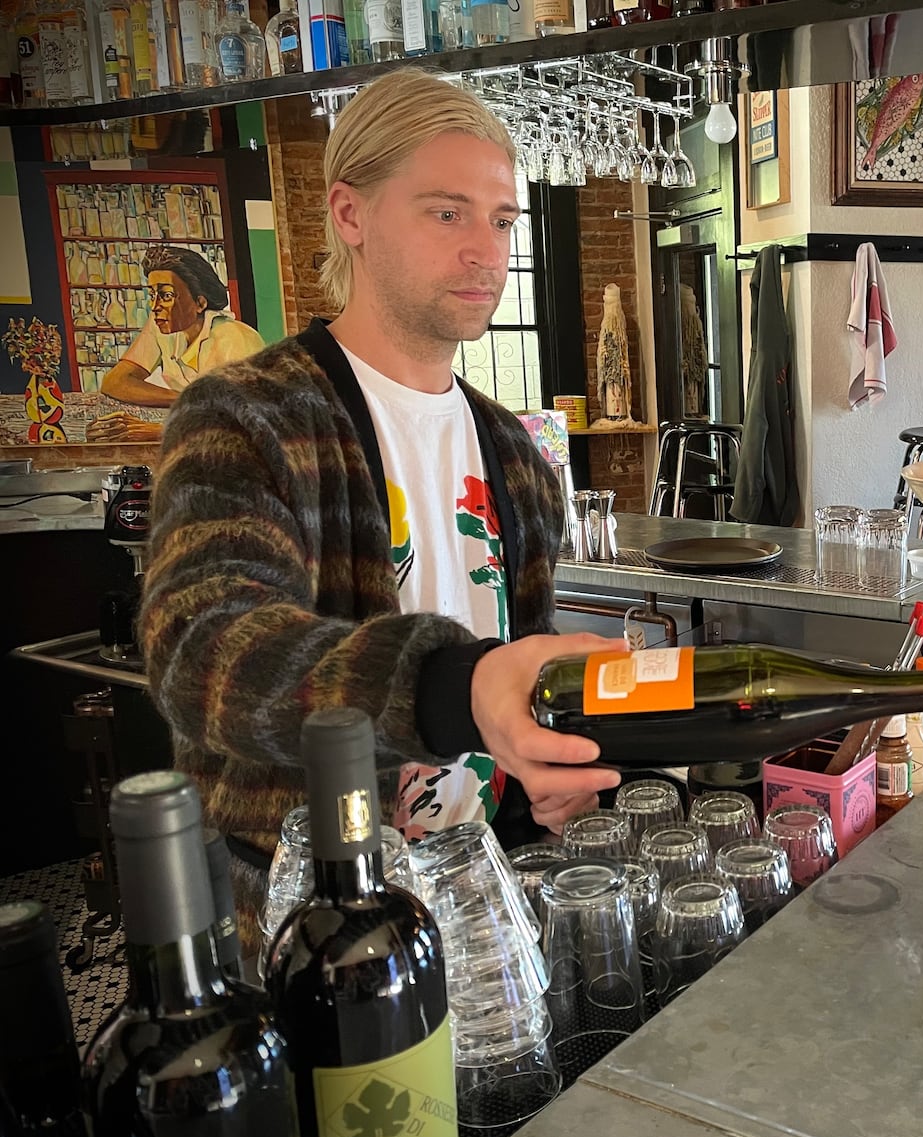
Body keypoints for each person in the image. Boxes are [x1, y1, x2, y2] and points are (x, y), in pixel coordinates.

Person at [140, 67, 622, 953]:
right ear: (350, 214)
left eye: (502, 219)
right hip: (310, 927)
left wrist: (549, 760)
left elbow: (520, 668)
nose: (488, 251)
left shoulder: (516, 454)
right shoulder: (244, 415)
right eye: (446, 212)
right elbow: (201, 650)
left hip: (490, 900)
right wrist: (456, 688)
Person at [99, 244, 265, 407]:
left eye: (167, 295)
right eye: (152, 294)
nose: (155, 306)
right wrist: (186, 400)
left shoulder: (235, 339)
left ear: (199, 303)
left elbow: (247, 414)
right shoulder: (162, 326)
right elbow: (115, 381)